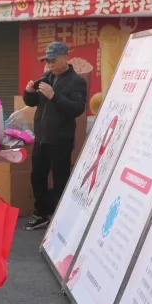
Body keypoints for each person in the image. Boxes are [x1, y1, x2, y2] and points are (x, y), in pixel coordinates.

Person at [23, 41, 87, 230]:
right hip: (41, 138)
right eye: (47, 60)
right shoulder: (46, 77)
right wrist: (28, 92)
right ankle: (40, 214)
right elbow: (32, 102)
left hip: (60, 141)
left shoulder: (76, 81)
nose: (49, 64)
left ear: (64, 58)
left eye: (53, 60)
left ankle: (60, 218)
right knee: (37, 177)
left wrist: (54, 96)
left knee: (60, 180)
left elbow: (77, 109)